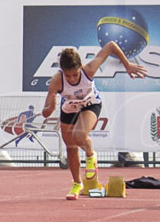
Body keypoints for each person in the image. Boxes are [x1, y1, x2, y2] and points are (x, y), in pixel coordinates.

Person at [42, 43, 147, 200]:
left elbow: (111, 46)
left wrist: (127, 64)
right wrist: (50, 106)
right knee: (70, 147)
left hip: (90, 104)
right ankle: (77, 183)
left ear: (80, 68)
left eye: (75, 75)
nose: (71, 79)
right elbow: (45, 112)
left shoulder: (89, 69)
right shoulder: (57, 80)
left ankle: (91, 155)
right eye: (68, 75)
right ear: (62, 72)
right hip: (69, 109)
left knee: (79, 136)